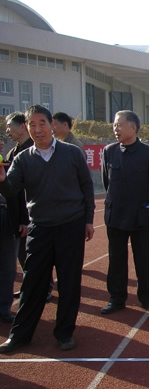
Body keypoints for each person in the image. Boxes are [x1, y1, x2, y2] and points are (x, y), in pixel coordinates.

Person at [0, 104, 95, 353]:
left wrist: (88, 220)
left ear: (51, 125)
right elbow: (11, 190)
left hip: (71, 226)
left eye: (42, 123)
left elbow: (87, 187)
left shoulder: (71, 153)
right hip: (40, 228)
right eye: (32, 124)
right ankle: (20, 335)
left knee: (69, 283)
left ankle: (64, 333)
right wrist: (2, 181)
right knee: (32, 284)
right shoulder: (23, 159)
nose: (37, 129)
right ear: (26, 127)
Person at [100, 110, 149, 315]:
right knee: (116, 259)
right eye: (114, 125)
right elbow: (107, 182)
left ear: (133, 127)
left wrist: (146, 206)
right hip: (116, 216)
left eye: (119, 125)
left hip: (141, 217)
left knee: (144, 259)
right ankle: (116, 298)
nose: (115, 129)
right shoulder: (109, 151)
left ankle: (148, 298)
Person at [0, 136, 28, 323]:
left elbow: (18, 192)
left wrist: (23, 219)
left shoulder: (8, 164)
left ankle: (3, 308)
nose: (1, 143)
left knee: (8, 267)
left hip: (7, 219)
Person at [5, 112, 33, 298]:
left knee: (34, 253)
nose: (7, 130)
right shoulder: (12, 153)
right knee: (22, 254)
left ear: (22, 126)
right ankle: (31, 287)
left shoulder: (33, 151)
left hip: (31, 213)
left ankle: (43, 288)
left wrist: (25, 219)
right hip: (16, 213)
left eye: (9, 126)